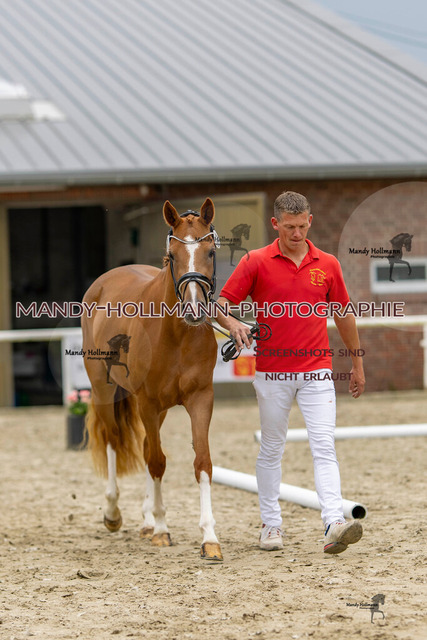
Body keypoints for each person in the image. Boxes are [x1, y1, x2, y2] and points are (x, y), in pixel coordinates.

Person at [216, 191, 365, 554]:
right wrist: (233, 324)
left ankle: (333, 523)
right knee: (271, 448)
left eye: (301, 226)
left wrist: (357, 362)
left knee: (324, 445)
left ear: (310, 221)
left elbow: (343, 315)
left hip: (317, 371)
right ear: (275, 224)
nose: (296, 234)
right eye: (289, 227)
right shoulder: (254, 261)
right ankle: (271, 525)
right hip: (272, 373)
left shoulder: (328, 264)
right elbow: (220, 304)